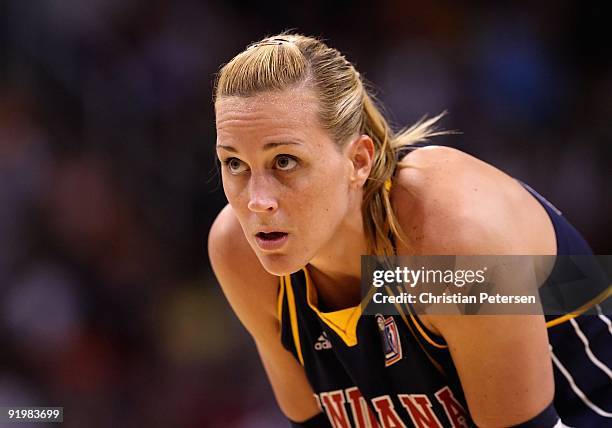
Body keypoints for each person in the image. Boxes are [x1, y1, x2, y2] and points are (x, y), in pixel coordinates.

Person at [208, 33, 611, 427]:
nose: (257, 200)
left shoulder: (447, 239)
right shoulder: (240, 253)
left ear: (359, 161)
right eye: (234, 164)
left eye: (285, 161)